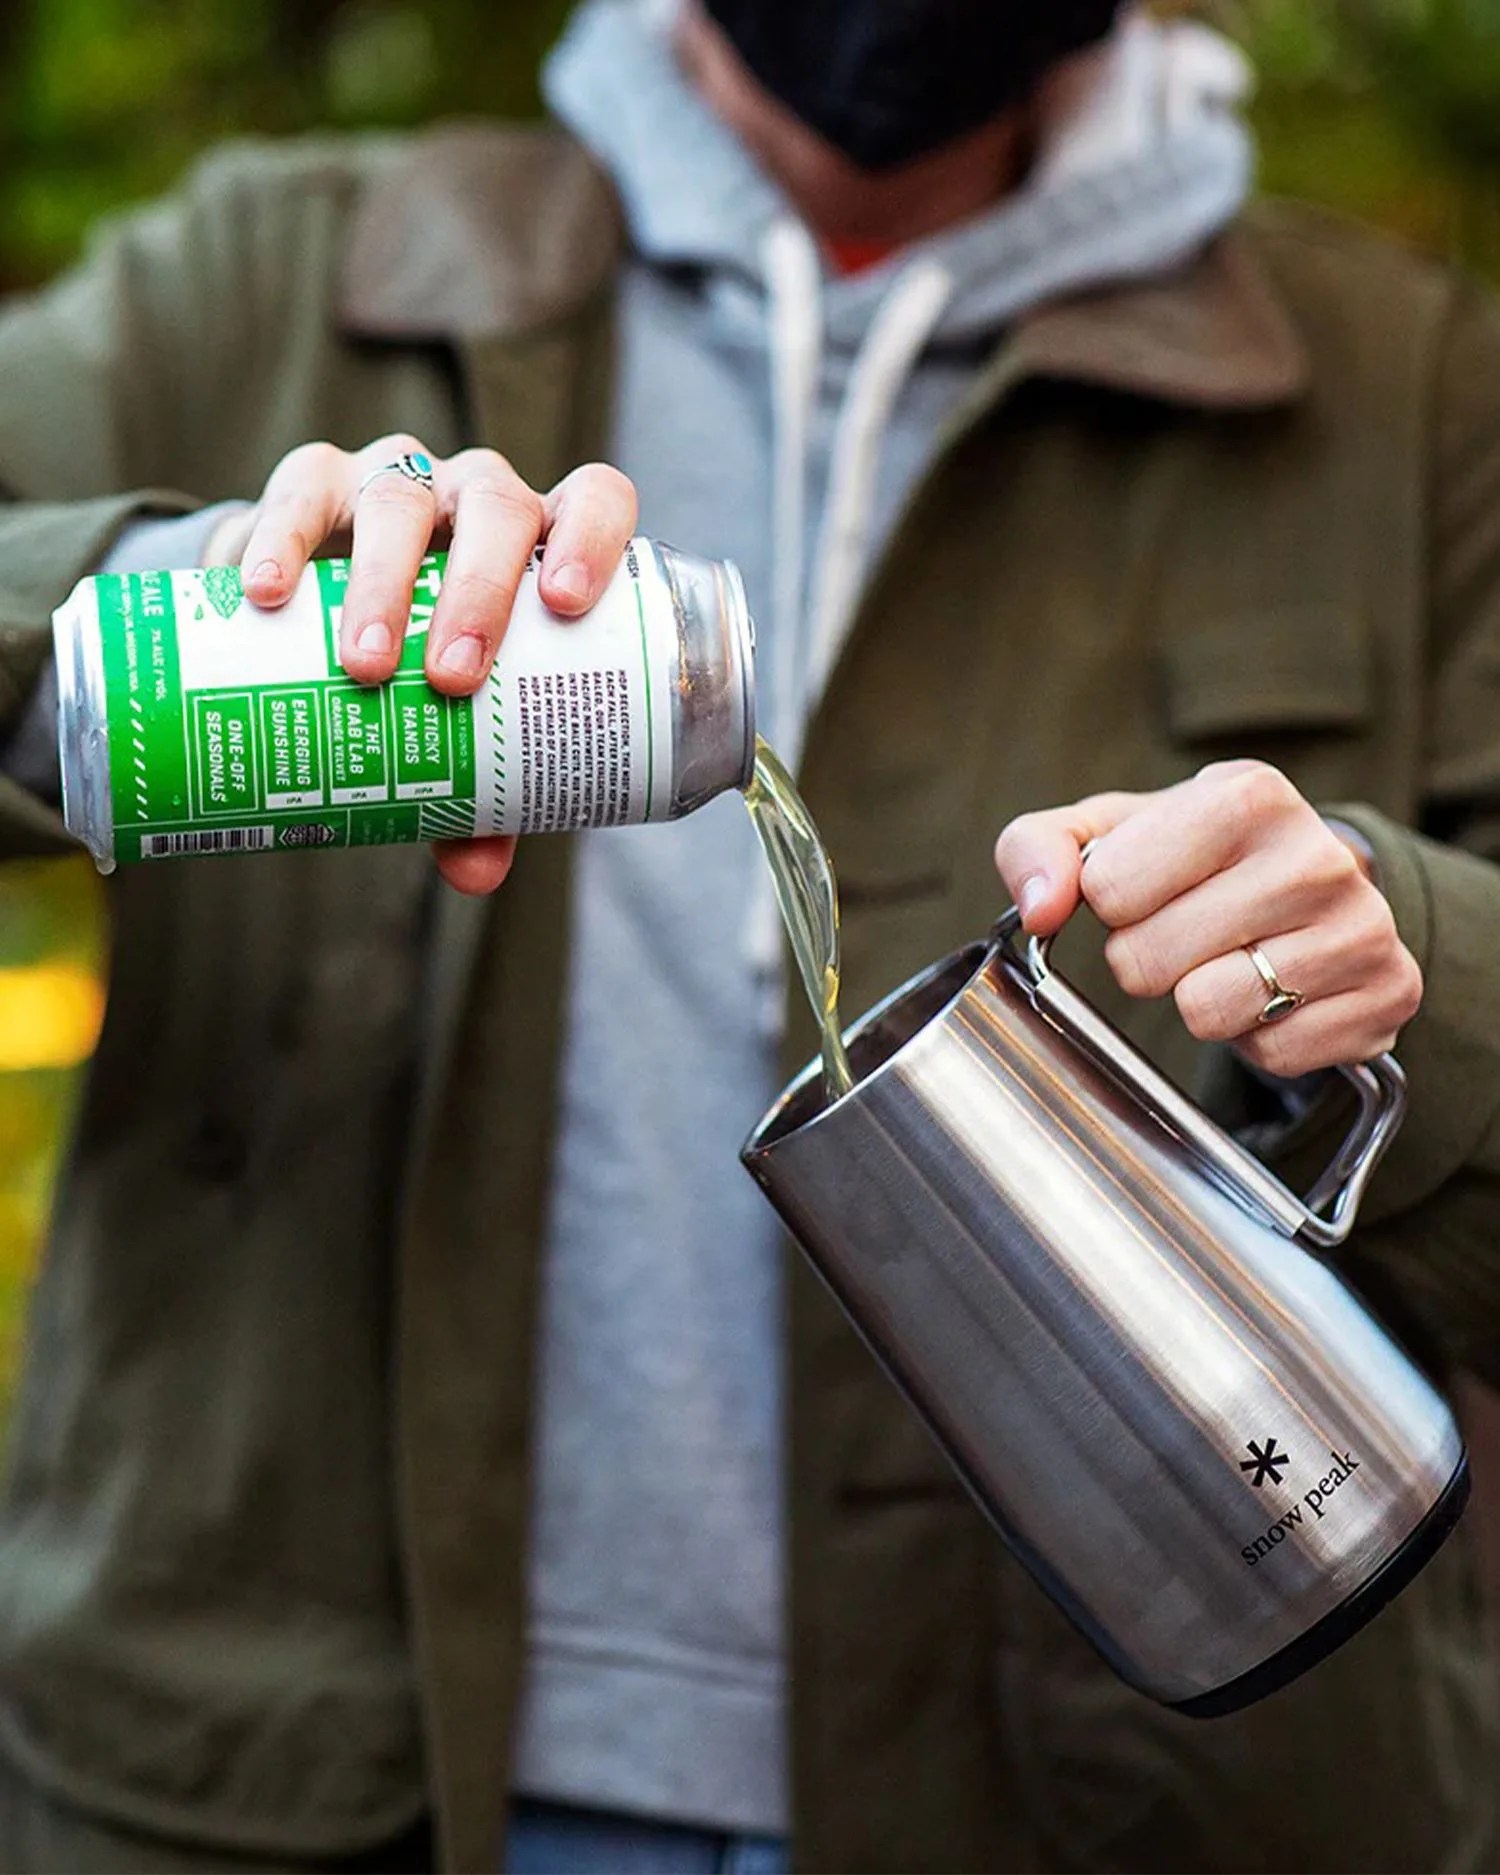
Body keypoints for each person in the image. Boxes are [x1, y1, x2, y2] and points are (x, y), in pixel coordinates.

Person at [0, 1, 1497, 1869]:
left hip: (1132, 1805)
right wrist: (145, 614)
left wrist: (1405, 956)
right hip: (290, 1790)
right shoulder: (278, 275)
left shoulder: (1414, 397)